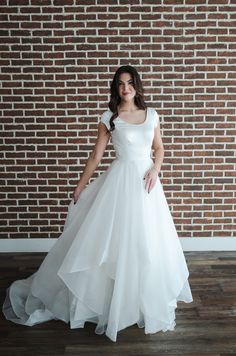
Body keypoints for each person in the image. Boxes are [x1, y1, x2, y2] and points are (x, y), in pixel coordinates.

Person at [2, 65, 193, 343]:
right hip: (120, 182)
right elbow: (96, 156)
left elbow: (159, 148)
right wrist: (80, 185)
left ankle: (142, 299)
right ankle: (110, 299)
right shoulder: (110, 117)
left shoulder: (151, 114)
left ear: (137, 86)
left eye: (130, 83)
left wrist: (155, 169)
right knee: (112, 241)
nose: (125, 88)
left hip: (146, 185)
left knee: (148, 241)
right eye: (120, 84)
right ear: (116, 88)